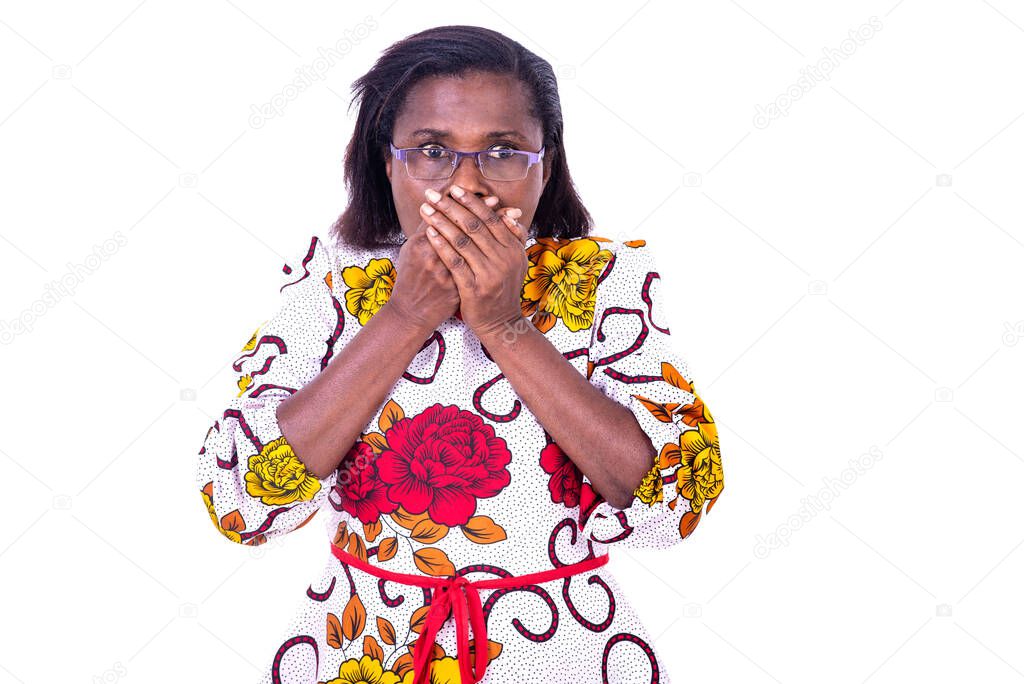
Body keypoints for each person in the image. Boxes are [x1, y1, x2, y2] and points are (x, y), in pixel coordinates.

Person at [195, 24, 724, 684]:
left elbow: (673, 501)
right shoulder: (333, 285)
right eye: (432, 151)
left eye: (502, 151)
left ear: (545, 166)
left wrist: (505, 328)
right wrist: (405, 316)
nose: (466, 186)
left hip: (564, 656)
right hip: (370, 653)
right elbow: (241, 502)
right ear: (390, 164)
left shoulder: (602, 284)